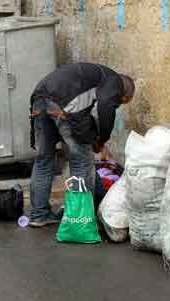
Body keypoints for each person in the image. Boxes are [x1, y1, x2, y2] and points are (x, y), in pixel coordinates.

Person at [27, 62, 135, 227]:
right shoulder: (114, 82)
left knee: (43, 160)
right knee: (82, 161)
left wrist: (93, 138)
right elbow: (105, 109)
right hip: (63, 103)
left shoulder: (97, 78)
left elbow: (86, 113)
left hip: (39, 99)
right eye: (122, 102)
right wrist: (101, 139)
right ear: (125, 96)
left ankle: (39, 215)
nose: (119, 104)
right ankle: (80, 219)